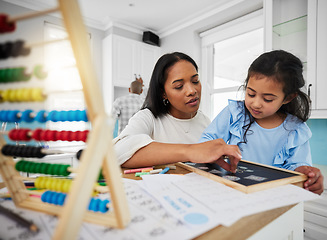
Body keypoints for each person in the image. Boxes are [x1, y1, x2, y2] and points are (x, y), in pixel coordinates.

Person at [199, 50, 324, 195]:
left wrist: (307, 174)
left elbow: (297, 166)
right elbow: (206, 141)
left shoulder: (295, 130)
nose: (256, 104)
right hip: (231, 191)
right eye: (251, 93)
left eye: (268, 99)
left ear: (288, 98)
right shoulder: (234, 112)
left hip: (271, 196)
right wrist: (218, 150)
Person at [113, 52, 242, 171]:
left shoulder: (204, 121)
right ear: (163, 93)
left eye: (195, 81)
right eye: (179, 86)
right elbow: (118, 151)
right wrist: (190, 151)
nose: (192, 91)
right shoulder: (149, 117)